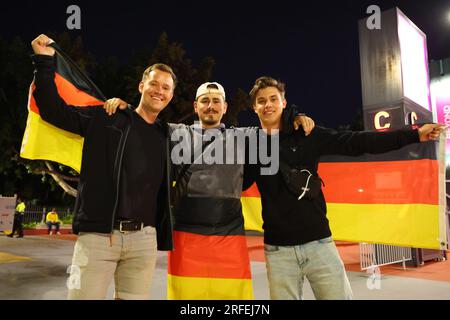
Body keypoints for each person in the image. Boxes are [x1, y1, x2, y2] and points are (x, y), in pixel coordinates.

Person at [103, 82, 314, 299]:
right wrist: (125, 109)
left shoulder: (245, 137)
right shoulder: (175, 133)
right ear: (196, 106)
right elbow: (142, 125)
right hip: (187, 241)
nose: (210, 106)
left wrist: (295, 117)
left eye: (216, 101)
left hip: (229, 240)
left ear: (225, 107)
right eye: (205, 101)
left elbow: (275, 127)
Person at [244, 76, 445, 300]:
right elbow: (234, 182)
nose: (268, 104)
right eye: (261, 101)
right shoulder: (250, 145)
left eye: (274, 98)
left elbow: (357, 142)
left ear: (283, 102)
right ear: (254, 108)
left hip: (319, 244)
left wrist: (414, 134)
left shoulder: (307, 134)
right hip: (278, 250)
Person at [30, 34, 175, 300]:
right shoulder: (107, 118)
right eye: (154, 84)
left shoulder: (168, 136)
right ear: (142, 86)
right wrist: (43, 61)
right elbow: (53, 110)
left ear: (171, 95)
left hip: (144, 240)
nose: (159, 91)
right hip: (98, 237)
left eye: (166, 88)